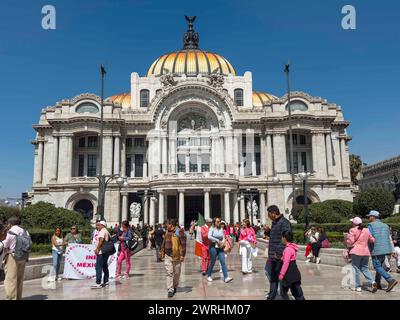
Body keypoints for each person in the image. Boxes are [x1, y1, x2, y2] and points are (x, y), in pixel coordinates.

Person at [264, 205, 292, 300]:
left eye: (268, 214)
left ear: (273, 213)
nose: (268, 216)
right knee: (273, 277)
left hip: (279, 256)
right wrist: (268, 232)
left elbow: (287, 238)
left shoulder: (284, 223)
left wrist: (278, 253)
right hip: (273, 256)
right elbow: (275, 236)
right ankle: (272, 296)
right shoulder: (276, 223)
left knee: (280, 278)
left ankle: (284, 296)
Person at [367, 210, 398, 292]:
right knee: (379, 266)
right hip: (385, 249)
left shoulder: (371, 225)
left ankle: (390, 280)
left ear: (373, 217)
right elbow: (389, 238)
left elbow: (369, 237)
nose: (368, 218)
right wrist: (392, 250)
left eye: (369, 216)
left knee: (377, 266)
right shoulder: (385, 226)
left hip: (376, 249)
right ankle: (377, 283)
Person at [346, 217, 377, 293]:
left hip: (356, 252)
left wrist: (347, 237)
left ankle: (358, 286)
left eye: (352, 222)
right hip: (365, 252)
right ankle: (372, 282)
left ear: (354, 223)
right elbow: (372, 240)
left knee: (355, 269)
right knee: (365, 268)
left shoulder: (352, 230)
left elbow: (351, 241)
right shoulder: (366, 230)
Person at [2, 216, 30, 300]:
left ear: (10, 224)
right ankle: (18, 297)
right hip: (23, 257)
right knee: (19, 279)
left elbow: (5, 245)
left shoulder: (10, 232)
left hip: (13, 257)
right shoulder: (25, 232)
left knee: (11, 279)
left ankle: (11, 298)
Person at [160, 219, 186, 298]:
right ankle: (170, 289)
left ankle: (174, 286)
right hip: (168, 255)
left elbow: (183, 244)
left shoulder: (179, 232)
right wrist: (162, 251)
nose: (167, 226)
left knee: (177, 273)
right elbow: (164, 242)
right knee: (169, 272)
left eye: (168, 224)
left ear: (172, 225)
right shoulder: (167, 231)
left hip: (177, 255)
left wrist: (182, 255)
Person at [279, 230, 305, 300]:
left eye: (282, 237)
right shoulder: (292, 247)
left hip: (289, 274)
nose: (281, 239)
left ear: (285, 238)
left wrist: (281, 275)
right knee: (297, 292)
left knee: (283, 292)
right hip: (295, 273)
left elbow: (286, 263)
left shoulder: (287, 249)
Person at [207, 217, 233, 283]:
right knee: (213, 261)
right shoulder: (212, 228)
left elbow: (223, 237)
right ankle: (209, 275)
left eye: (219, 221)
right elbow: (209, 236)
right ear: (214, 222)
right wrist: (217, 240)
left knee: (223, 261)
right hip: (213, 247)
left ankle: (226, 277)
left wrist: (223, 243)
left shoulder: (221, 229)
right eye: (217, 221)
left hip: (220, 247)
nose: (219, 223)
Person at [91, 221, 111, 289]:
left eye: (98, 225)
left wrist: (97, 249)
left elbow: (101, 240)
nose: (97, 227)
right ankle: (106, 281)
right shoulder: (106, 231)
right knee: (104, 266)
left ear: (102, 225)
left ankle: (98, 282)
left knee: (98, 266)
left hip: (101, 251)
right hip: (106, 251)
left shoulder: (102, 231)